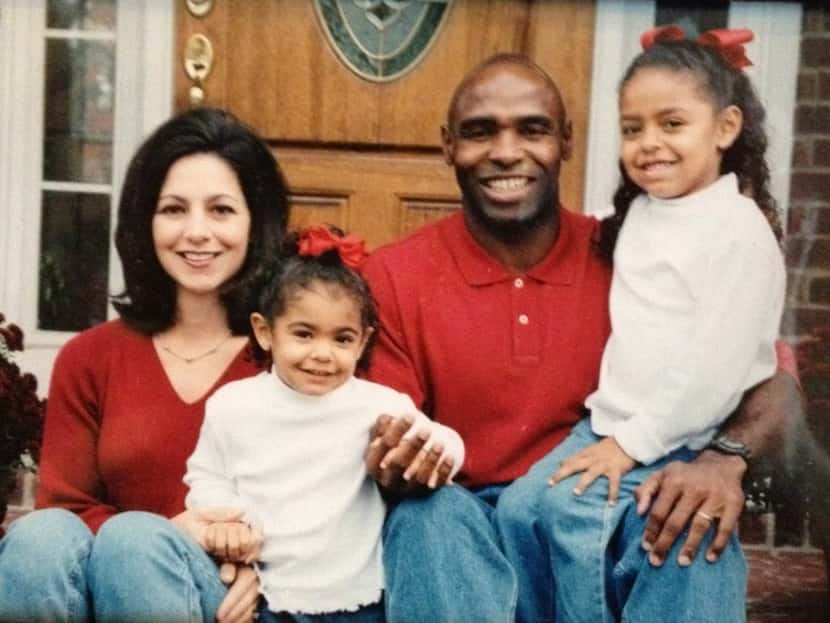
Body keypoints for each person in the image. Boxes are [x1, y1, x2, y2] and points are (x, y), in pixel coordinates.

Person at [360, 52, 801, 623]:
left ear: (567, 141)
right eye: (479, 132)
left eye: (533, 129)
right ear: (448, 146)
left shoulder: (629, 251)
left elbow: (773, 387)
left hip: (611, 508)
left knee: (691, 515)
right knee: (426, 516)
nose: (505, 151)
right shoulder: (396, 273)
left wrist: (725, 460)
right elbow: (379, 430)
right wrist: (392, 458)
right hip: (465, 531)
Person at [517, 26, 786, 622]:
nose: (648, 143)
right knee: (517, 513)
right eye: (632, 129)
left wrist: (631, 445)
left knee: (576, 517)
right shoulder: (642, 212)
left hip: (677, 438)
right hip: (611, 423)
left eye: (672, 124)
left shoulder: (736, 231)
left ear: (725, 128)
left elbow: (712, 373)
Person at [0, 107, 288, 623]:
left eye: (221, 210)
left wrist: (271, 569)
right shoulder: (90, 358)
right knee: (40, 538)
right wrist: (175, 530)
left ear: (256, 223)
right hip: (113, 580)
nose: (197, 232)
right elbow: (64, 513)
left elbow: (333, 502)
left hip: (228, 598)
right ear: (144, 222)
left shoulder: (289, 358)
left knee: (134, 542)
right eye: (174, 209)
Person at [180, 225, 465, 623]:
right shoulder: (233, 406)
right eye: (304, 334)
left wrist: (440, 451)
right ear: (265, 332)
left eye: (342, 339)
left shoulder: (376, 407)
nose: (322, 354)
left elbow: (440, 442)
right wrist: (227, 519)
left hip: (358, 600)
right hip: (268, 597)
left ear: (364, 342)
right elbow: (207, 477)